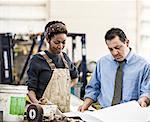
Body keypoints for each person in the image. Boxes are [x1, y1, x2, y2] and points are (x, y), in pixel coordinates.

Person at [78, 28, 150, 112]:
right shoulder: (102, 63)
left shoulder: (143, 65)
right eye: (111, 49)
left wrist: (144, 100)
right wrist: (85, 105)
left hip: (131, 114)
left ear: (127, 43)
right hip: (105, 112)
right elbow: (93, 88)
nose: (115, 53)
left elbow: (146, 91)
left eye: (118, 47)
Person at [26, 21, 78, 112]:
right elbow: (31, 90)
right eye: (57, 42)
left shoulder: (65, 58)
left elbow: (75, 78)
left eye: (63, 42)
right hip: (44, 111)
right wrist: (37, 104)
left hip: (64, 112)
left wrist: (64, 89)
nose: (60, 46)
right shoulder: (37, 59)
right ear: (48, 39)